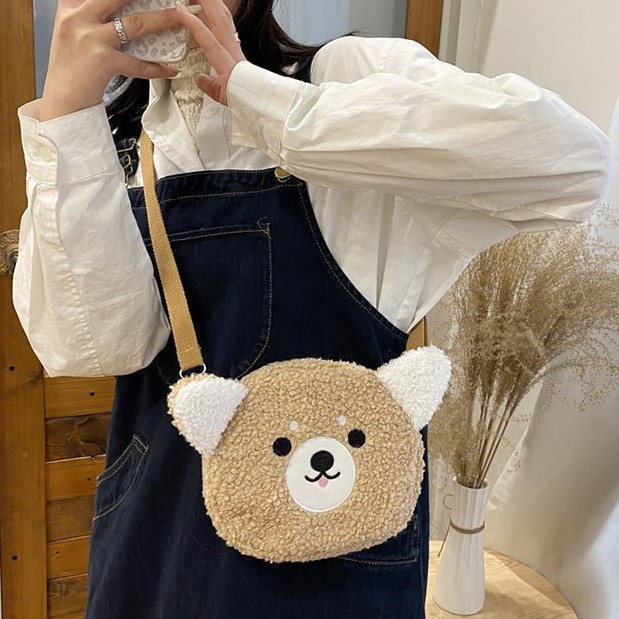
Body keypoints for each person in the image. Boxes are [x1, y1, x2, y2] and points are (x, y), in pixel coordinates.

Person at [14, 0, 609, 617]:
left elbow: (572, 164)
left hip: (336, 557)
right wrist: (68, 115)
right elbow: (94, 349)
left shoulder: (349, 77)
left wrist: (270, 110)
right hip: (161, 535)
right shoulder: (113, 145)